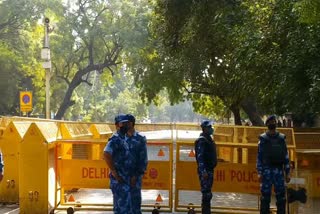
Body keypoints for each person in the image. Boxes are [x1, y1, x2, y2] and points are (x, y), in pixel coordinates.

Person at [257, 115, 291, 214]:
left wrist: (288, 173)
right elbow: (259, 157)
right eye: (270, 122)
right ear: (267, 124)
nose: (273, 123)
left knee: (281, 198)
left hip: (279, 171)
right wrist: (259, 172)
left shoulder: (281, 139)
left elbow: (286, 156)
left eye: (274, 121)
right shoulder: (263, 139)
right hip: (266, 172)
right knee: (265, 198)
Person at [104, 114, 133, 213]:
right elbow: (106, 153)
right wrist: (114, 172)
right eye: (123, 123)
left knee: (123, 208)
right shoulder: (115, 139)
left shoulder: (123, 138)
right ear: (117, 125)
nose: (125, 125)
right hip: (119, 180)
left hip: (125, 179)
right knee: (122, 209)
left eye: (126, 123)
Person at [126, 114, 148, 214]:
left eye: (126, 122)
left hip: (135, 177)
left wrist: (137, 175)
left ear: (131, 123)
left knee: (135, 204)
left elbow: (143, 160)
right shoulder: (119, 137)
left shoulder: (140, 138)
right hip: (122, 177)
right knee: (122, 205)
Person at [194, 120, 217, 214]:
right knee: (206, 194)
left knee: (208, 193)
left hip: (209, 169)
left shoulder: (209, 139)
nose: (211, 128)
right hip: (205, 171)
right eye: (209, 127)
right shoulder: (202, 140)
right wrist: (203, 172)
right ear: (204, 129)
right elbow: (200, 157)